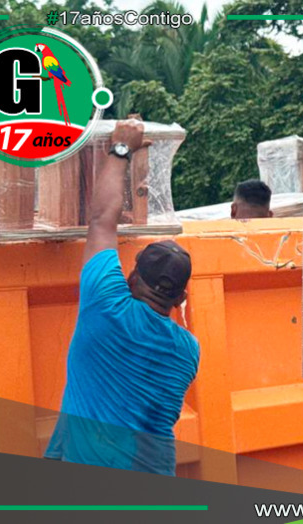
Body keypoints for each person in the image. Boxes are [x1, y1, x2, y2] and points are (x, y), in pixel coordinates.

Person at [45, 120, 200, 476]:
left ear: (130, 276)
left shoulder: (106, 304)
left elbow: (102, 220)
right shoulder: (189, 351)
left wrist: (120, 148)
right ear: (181, 297)